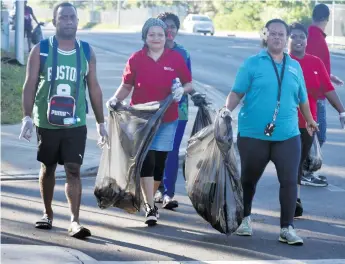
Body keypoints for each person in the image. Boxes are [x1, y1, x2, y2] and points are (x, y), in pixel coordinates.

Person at [223, 19, 318, 246]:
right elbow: (236, 92)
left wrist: (310, 120)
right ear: (266, 36)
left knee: (289, 181)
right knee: (248, 179)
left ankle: (287, 228)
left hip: (287, 134)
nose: (277, 37)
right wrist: (226, 111)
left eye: (281, 34)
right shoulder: (252, 64)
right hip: (253, 133)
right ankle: (244, 219)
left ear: (287, 38)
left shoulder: (294, 66)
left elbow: (302, 98)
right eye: (273, 33)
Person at [19, 2, 108, 239]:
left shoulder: (87, 51)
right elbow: (29, 85)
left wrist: (101, 123)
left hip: (75, 122)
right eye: (63, 17)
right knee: (48, 168)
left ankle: (74, 221)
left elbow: (94, 88)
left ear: (78, 21)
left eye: (72, 17)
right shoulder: (41, 50)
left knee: (73, 169)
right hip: (47, 122)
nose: (68, 21)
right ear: (55, 21)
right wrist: (26, 117)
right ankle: (47, 214)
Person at [106, 18, 192, 226]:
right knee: (147, 160)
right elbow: (127, 86)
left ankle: (148, 199)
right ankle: (150, 206)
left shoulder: (175, 58)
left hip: (168, 118)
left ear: (166, 37)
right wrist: (115, 99)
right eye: (152, 34)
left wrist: (182, 90)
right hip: (142, 119)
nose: (156, 38)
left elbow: (189, 83)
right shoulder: (136, 59)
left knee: (159, 164)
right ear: (145, 37)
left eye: (160, 35)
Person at [288, 22, 345, 217]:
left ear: (306, 40)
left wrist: (341, 111)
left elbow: (328, 88)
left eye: (301, 37)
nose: (298, 40)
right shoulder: (281, 61)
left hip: (306, 123)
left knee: (296, 161)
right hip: (282, 123)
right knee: (288, 162)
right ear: (288, 39)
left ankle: (293, 199)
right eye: (293, 36)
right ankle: (291, 198)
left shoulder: (315, 62)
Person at [154, 12, 197, 210]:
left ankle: (168, 193)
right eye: (165, 26)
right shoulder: (150, 51)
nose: (169, 29)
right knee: (155, 150)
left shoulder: (183, 54)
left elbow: (189, 82)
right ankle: (155, 188)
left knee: (171, 151)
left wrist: (185, 90)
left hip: (179, 110)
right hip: (154, 109)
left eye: (173, 26)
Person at [304, 3, 344, 186]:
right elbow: (310, 67)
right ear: (327, 19)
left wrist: (329, 76)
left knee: (315, 135)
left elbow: (314, 65)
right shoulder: (316, 38)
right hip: (315, 95)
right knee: (317, 136)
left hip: (315, 93)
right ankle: (304, 171)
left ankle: (304, 170)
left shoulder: (312, 36)